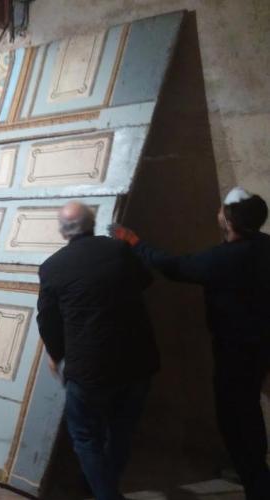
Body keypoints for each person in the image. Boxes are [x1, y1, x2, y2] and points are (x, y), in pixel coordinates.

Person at [111, 187, 270, 500]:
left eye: (222, 210)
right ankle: (252, 470)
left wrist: (134, 242)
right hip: (260, 345)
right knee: (249, 408)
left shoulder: (226, 258)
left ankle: (257, 482)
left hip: (235, 349)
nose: (217, 212)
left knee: (234, 415)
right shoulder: (264, 247)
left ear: (229, 221)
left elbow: (174, 266)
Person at [37, 201, 159, 500]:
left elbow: (47, 319)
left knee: (85, 437)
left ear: (62, 231)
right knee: (121, 432)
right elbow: (146, 279)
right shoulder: (118, 250)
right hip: (137, 361)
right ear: (92, 223)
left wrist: (56, 353)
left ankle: (104, 493)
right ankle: (100, 485)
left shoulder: (52, 267)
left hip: (90, 370)